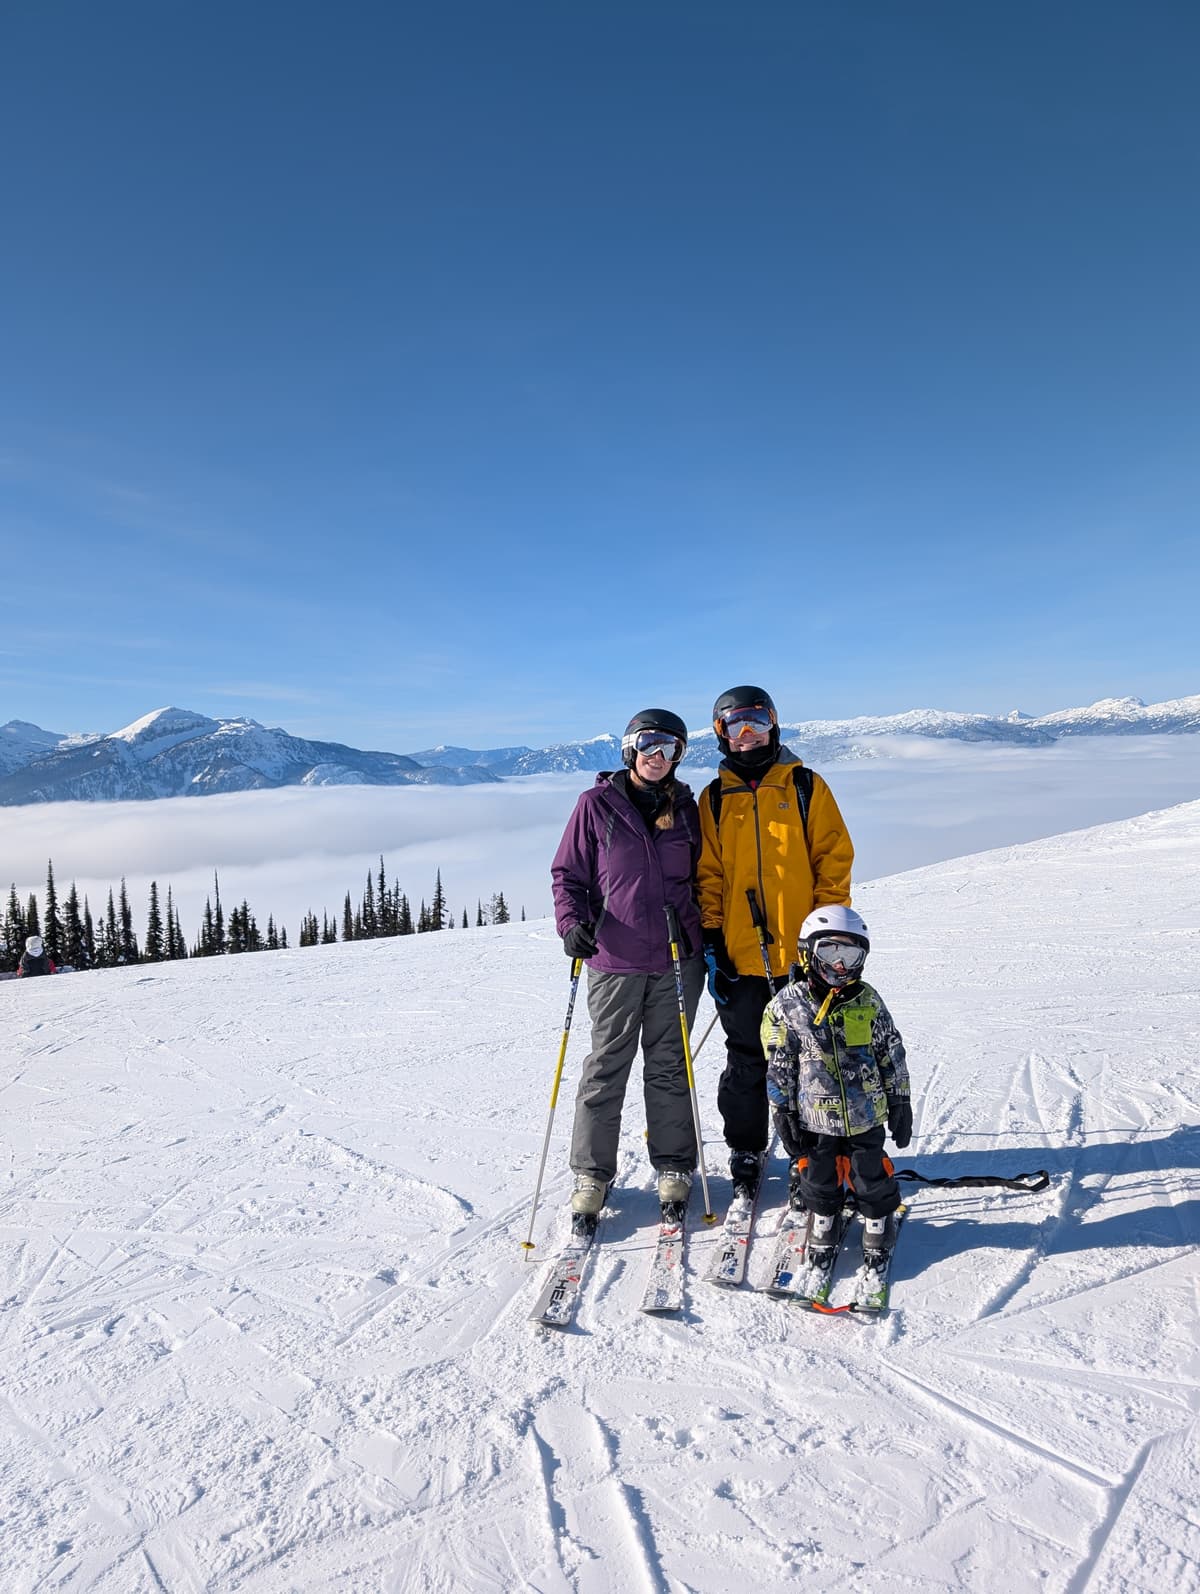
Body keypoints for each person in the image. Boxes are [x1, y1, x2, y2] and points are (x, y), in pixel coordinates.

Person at [697, 685, 854, 1189]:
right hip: (741, 955)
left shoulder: (804, 785)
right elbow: (709, 875)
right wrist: (714, 939)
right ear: (721, 734)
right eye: (736, 725)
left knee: (812, 1056)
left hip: (804, 956)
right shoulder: (715, 797)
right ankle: (746, 1149)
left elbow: (833, 861)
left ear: (774, 726)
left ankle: (810, 1150)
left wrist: (827, 936)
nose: (748, 735)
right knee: (745, 1057)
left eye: (756, 722)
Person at [551, 708, 705, 1214]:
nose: (659, 757)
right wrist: (572, 923)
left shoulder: (686, 808)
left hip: (675, 958)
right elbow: (568, 875)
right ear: (629, 748)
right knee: (605, 1067)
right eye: (650, 744)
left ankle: (674, 1164)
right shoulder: (596, 805)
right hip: (613, 959)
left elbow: (705, 877)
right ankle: (592, 1175)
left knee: (669, 1066)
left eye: (671, 749)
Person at [762, 905, 911, 1260]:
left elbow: (891, 1052)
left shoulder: (868, 1001)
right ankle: (824, 1217)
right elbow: (779, 1062)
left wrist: (900, 1099)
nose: (840, 964)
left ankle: (877, 1219)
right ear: (808, 952)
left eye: (850, 952)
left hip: (866, 1114)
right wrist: (781, 1108)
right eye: (830, 950)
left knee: (869, 1172)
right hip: (816, 1118)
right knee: (818, 1175)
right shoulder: (788, 1005)